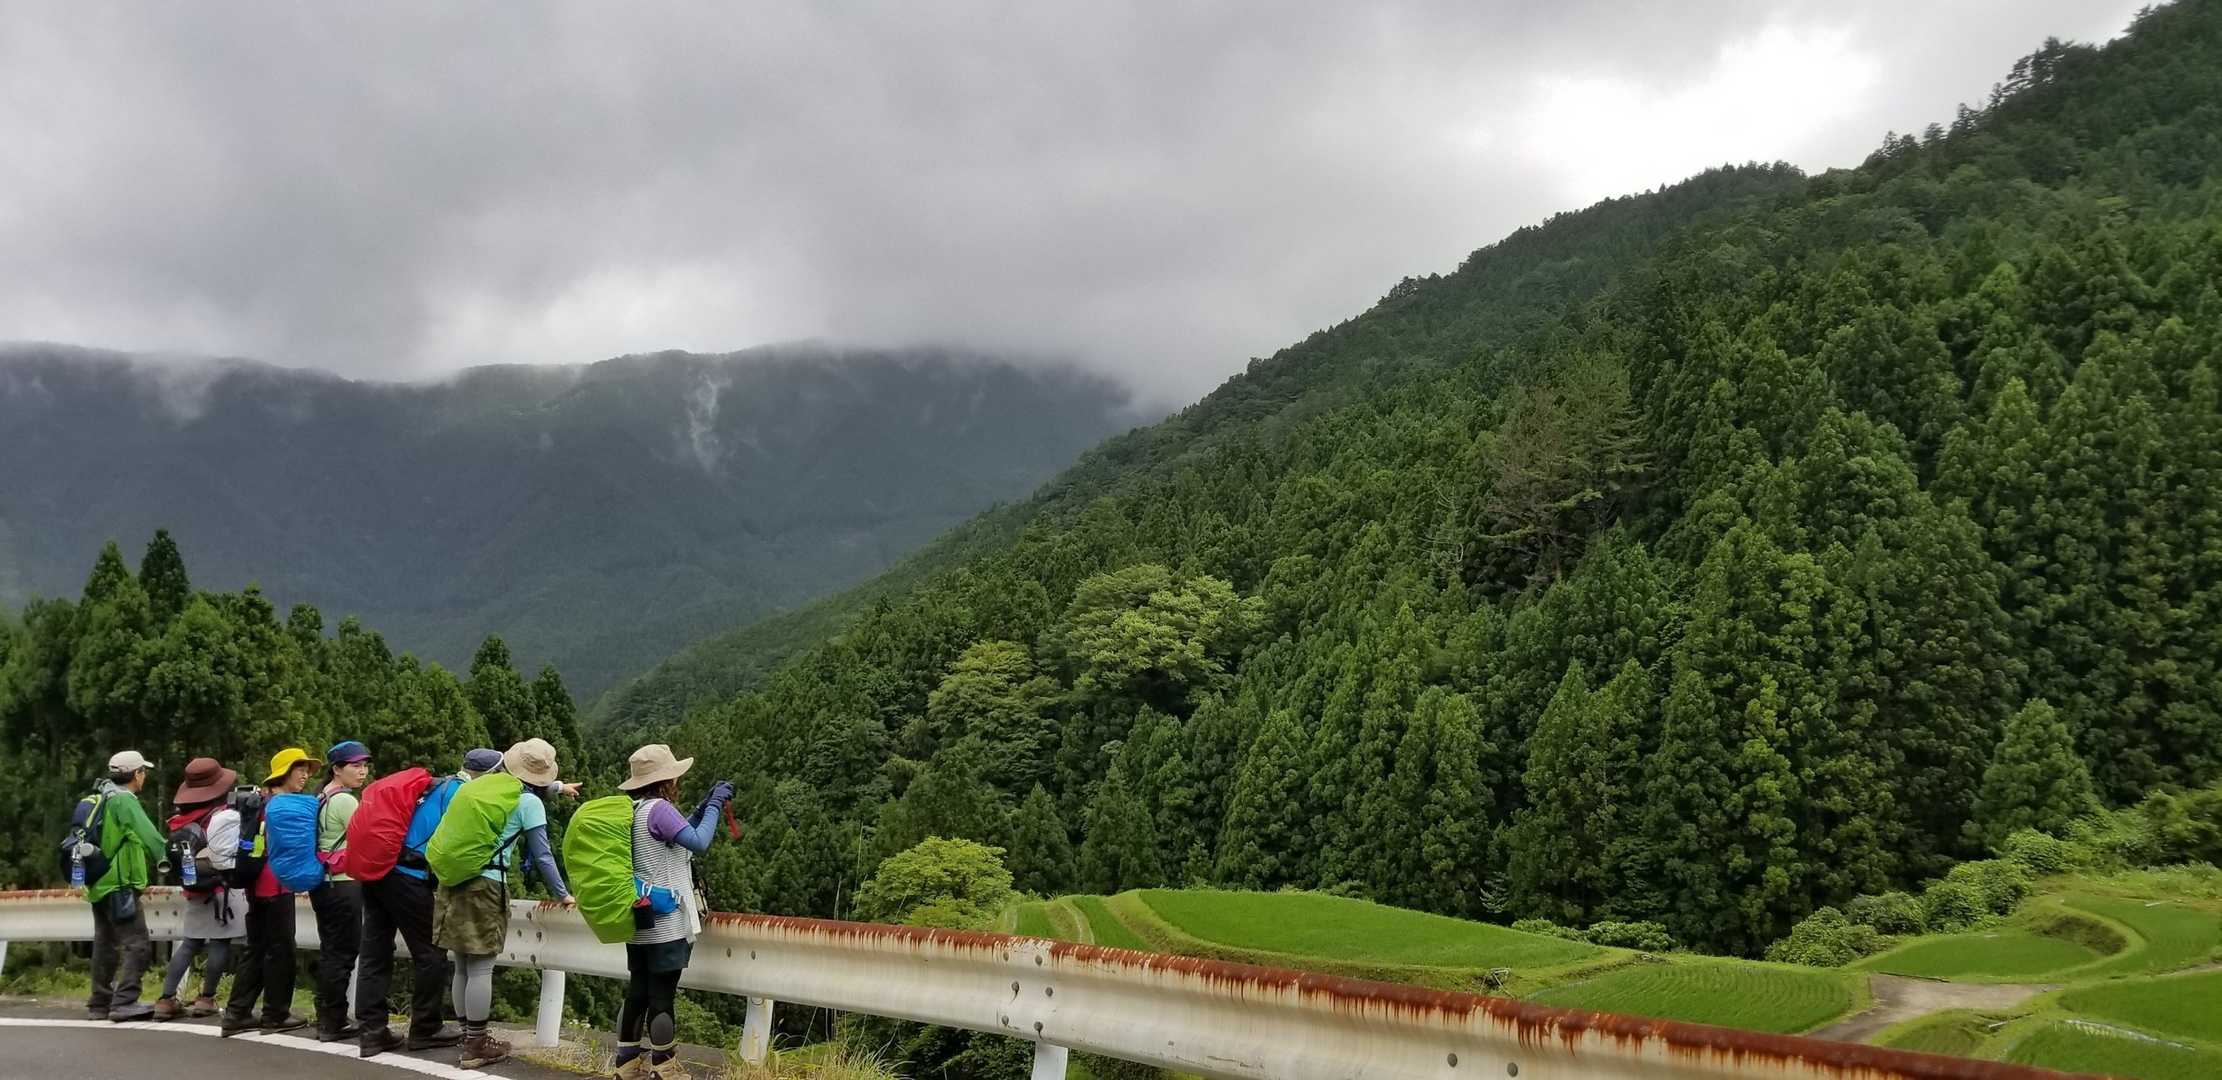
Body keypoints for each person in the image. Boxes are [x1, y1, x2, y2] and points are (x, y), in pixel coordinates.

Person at [432, 738, 574, 1070]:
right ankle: (477, 1046)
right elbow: (542, 854)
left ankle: (467, 1036)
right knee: (481, 967)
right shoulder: (529, 802)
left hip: (453, 879)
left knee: (462, 964)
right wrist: (562, 893)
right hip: (486, 884)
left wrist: (556, 789)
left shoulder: (478, 788)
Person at [353, 750, 498, 1057]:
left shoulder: (437, 785)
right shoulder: (462, 794)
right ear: (487, 775)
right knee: (431, 953)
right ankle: (425, 1028)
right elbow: (455, 846)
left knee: (375, 954)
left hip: (379, 869)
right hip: (408, 876)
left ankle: (372, 1033)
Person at [612, 744, 733, 1079]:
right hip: (666, 922)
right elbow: (699, 842)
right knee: (662, 996)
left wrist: (701, 807)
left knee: (638, 991)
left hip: (639, 918)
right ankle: (664, 1066)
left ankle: (626, 1063)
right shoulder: (660, 809)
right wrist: (715, 806)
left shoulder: (635, 810)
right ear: (665, 779)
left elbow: (677, 838)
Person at [221, 747, 315, 1037]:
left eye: (306, 770)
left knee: (257, 948)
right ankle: (275, 1015)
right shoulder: (282, 805)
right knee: (281, 951)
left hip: (255, 883)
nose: (305, 775)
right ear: (283, 773)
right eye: (299, 769)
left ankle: (236, 1014)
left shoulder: (259, 801)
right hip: (276, 883)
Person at [153, 757, 245, 1021]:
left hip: (193, 889)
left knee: (189, 944)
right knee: (220, 942)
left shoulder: (179, 820)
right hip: (220, 889)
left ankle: (166, 999)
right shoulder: (223, 816)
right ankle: (206, 998)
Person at [84, 750, 170, 1022]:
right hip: (120, 884)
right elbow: (149, 835)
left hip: (98, 882)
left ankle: (99, 1004)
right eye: (143, 772)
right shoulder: (124, 800)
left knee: (105, 943)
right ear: (136, 774)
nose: (144, 776)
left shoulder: (101, 795)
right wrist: (167, 857)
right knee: (137, 943)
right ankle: (125, 1002)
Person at [311, 739, 372, 1041]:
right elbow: (367, 837)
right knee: (344, 953)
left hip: (323, 882)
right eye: (355, 766)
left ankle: (325, 1015)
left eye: (365, 765)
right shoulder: (346, 801)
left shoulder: (321, 796)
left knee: (330, 950)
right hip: (344, 883)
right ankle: (333, 1022)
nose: (363, 771)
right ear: (337, 769)